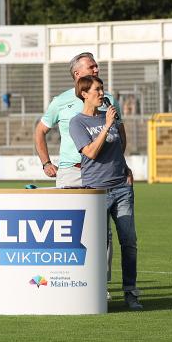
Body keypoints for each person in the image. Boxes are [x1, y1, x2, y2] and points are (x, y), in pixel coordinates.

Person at [35, 52, 128, 296]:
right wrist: (46, 163)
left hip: (100, 174)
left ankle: (99, 286)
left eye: (96, 65)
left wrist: (117, 164)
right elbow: (40, 131)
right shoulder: (60, 101)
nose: (96, 69)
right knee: (68, 229)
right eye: (91, 66)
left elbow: (120, 134)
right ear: (77, 74)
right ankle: (64, 282)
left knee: (102, 232)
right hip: (71, 173)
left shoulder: (108, 99)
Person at [69, 75, 142, 310]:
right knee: (100, 245)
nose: (102, 93)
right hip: (96, 192)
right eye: (97, 90)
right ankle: (98, 292)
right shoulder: (77, 123)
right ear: (84, 94)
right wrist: (107, 126)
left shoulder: (109, 114)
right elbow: (90, 152)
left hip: (121, 188)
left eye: (102, 89)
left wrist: (126, 167)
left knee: (129, 241)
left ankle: (131, 293)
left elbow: (118, 145)